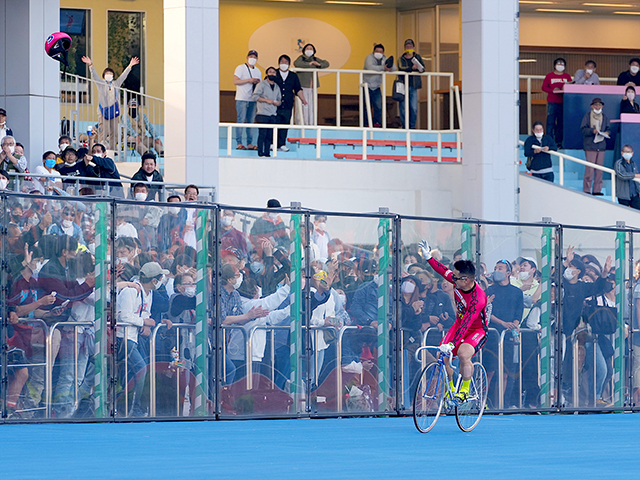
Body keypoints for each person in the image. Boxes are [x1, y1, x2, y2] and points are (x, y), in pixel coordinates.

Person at [418, 239, 489, 402]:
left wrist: (452, 343)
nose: (451, 280)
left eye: (455, 278)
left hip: (476, 329)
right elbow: (443, 270)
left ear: (466, 280)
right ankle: (450, 390)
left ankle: (465, 390)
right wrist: (429, 257)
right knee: (442, 357)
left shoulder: (478, 299)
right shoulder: (458, 281)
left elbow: (467, 324)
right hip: (459, 325)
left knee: (464, 354)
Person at [115, 261, 167, 416]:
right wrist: (143, 322)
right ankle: (132, 406)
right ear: (154, 280)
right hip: (123, 338)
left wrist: (147, 323)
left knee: (141, 370)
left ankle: (128, 405)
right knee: (141, 369)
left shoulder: (148, 293)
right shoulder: (131, 291)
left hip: (134, 338)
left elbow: (145, 314)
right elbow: (124, 316)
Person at [486, 260, 524, 408]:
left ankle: (500, 404)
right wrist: (502, 323)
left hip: (508, 336)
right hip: (493, 335)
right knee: (490, 371)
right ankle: (483, 403)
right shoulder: (490, 291)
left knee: (505, 372)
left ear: (508, 273)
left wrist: (515, 323)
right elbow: (488, 312)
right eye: (495, 268)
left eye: (500, 268)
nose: (497, 270)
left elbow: (518, 311)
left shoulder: (516, 292)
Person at [82, 55, 140, 150]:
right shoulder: (100, 84)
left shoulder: (116, 84)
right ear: (104, 76)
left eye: (111, 74)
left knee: (115, 132)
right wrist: (90, 64)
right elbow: (94, 75)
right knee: (103, 132)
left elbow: (123, 76)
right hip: (103, 110)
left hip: (114, 111)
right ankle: (100, 150)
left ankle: (112, 151)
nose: (109, 75)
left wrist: (130, 65)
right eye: (107, 73)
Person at [274, 55, 307, 152]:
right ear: (279, 63)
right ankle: (273, 143)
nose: (284, 63)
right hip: (275, 105)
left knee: (285, 124)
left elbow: (298, 89)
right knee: (274, 124)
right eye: (282, 62)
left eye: (286, 62)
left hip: (288, 104)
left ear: (289, 64)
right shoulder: (274, 73)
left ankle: (282, 144)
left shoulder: (293, 76)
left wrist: (303, 99)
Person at [580, 98, 610, 196]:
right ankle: (587, 189)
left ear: (602, 106)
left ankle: (597, 189)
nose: (598, 107)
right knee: (590, 169)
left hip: (601, 145)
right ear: (592, 106)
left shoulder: (604, 117)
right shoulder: (587, 116)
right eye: (596, 105)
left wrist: (606, 132)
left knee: (599, 169)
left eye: (599, 105)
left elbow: (609, 129)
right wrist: (592, 131)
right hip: (590, 145)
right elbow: (583, 129)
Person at [294, 44, 329, 126]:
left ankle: (311, 123)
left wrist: (318, 64)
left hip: (312, 86)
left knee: (312, 106)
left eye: (311, 48)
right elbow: (297, 63)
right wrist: (310, 64)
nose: (309, 50)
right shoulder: (301, 58)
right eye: (307, 48)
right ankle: (301, 123)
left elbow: (326, 63)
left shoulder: (315, 59)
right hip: (303, 86)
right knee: (302, 106)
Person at [233, 50, 261, 150]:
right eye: (251, 56)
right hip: (241, 98)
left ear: (257, 59)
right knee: (240, 120)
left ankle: (250, 143)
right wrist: (249, 80)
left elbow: (260, 86)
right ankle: (239, 142)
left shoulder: (258, 71)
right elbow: (235, 81)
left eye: (254, 57)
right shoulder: (240, 68)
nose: (252, 58)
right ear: (247, 57)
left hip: (252, 99)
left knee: (251, 121)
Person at [542, 58, 572, 149]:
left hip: (563, 102)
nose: (560, 66)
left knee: (561, 123)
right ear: (554, 65)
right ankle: (549, 142)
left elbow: (571, 86)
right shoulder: (549, 76)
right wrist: (552, 90)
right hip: (552, 101)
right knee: (550, 122)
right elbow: (544, 87)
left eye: (562, 64)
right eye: (558, 64)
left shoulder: (567, 76)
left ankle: (558, 142)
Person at [252, 66, 282, 157]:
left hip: (273, 113)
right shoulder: (261, 84)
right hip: (262, 113)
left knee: (270, 135)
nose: (272, 74)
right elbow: (255, 97)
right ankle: (260, 152)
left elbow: (279, 99)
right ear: (266, 74)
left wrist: (278, 103)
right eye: (270, 72)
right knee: (262, 134)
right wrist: (266, 100)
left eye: (274, 72)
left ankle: (267, 153)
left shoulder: (277, 86)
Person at [363, 44, 395, 127]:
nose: (379, 53)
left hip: (377, 87)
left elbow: (394, 68)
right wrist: (383, 68)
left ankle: (377, 123)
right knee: (366, 107)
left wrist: (389, 67)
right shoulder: (369, 58)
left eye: (381, 52)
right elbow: (370, 67)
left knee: (378, 106)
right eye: (377, 51)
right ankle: (366, 124)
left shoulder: (384, 58)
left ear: (383, 53)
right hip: (366, 86)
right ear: (373, 51)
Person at [397, 39, 425, 130]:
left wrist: (418, 68)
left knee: (413, 108)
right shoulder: (401, 58)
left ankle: (412, 127)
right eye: (407, 46)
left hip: (413, 85)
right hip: (403, 85)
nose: (409, 48)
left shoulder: (417, 57)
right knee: (403, 108)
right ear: (405, 48)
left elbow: (423, 68)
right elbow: (401, 68)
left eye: (410, 46)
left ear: (413, 47)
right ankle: (405, 126)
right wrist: (411, 68)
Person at [614, 144, 640, 209]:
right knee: (624, 214)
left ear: (632, 153)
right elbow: (621, 175)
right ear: (622, 153)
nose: (627, 153)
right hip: (623, 195)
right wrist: (634, 175)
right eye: (625, 151)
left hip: (634, 194)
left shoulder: (633, 164)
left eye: (629, 152)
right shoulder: (619, 163)